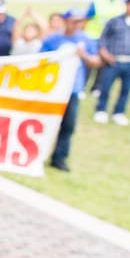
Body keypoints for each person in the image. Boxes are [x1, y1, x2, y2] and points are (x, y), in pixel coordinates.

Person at [40, 10, 102, 172]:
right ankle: (38, 153)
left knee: (68, 125)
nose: (77, 25)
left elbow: (96, 61)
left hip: (72, 89)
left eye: (80, 22)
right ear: (66, 21)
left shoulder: (85, 39)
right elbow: (39, 59)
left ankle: (59, 158)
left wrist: (84, 55)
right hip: (51, 87)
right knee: (44, 122)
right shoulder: (53, 39)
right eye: (74, 21)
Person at [94, 0, 130, 126]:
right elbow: (103, 39)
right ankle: (101, 109)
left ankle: (119, 112)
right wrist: (105, 54)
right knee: (105, 87)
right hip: (113, 60)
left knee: (126, 89)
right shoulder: (114, 21)